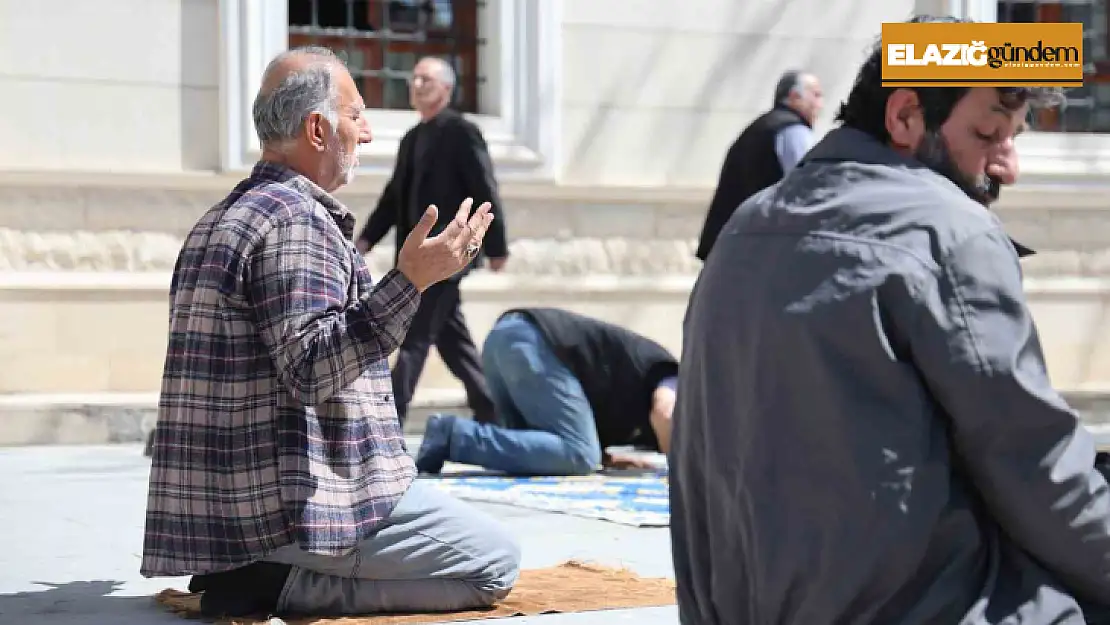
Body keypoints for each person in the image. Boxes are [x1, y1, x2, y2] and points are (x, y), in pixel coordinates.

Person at [669, 14, 1110, 625]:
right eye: (990, 135)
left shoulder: (746, 224)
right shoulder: (949, 230)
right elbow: (1034, 467)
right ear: (905, 116)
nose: (1008, 167)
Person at [142, 46, 520, 619]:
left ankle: (258, 568)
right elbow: (314, 368)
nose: (366, 133)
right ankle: (278, 584)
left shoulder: (220, 218)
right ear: (317, 129)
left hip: (229, 515)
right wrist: (411, 281)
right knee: (494, 563)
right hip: (294, 511)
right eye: (357, 114)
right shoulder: (295, 223)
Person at [355, 56, 508, 427]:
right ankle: (496, 417)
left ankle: (387, 425)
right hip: (417, 259)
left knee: (413, 338)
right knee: (455, 345)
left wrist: (496, 245)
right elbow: (394, 198)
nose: (417, 84)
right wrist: (365, 240)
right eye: (414, 78)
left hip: (447, 256)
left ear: (446, 89)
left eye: (426, 79)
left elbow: (484, 187)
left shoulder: (461, 131)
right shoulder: (411, 139)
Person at [414, 308, 678, 476]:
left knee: (529, 452)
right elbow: (665, 413)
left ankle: (452, 438)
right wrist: (680, 473)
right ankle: (453, 436)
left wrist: (605, 454)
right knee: (580, 456)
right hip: (533, 345)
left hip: (506, 341)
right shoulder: (676, 377)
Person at [694, 69, 823, 261]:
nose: (821, 104)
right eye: (816, 95)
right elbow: (810, 188)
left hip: (732, 244)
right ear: (795, 97)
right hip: (758, 247)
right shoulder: (792, 131)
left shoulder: (761, 127)